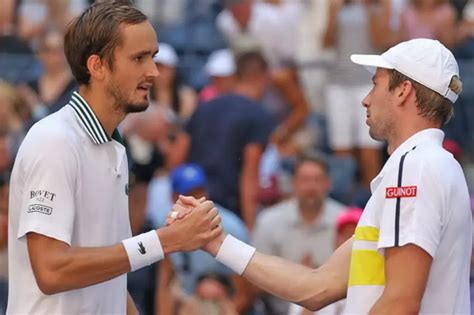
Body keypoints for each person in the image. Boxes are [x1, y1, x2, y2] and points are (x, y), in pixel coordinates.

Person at [173, 38, 472, 314]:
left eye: (375, 84)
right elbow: (317, 287)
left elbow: (401, 302)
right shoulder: (429, 165)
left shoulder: (415, 167)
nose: (366, 99)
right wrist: (216, 241)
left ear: (403, 90)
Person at [7, 2, 222, 314]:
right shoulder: (54, 141)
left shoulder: (113, 149)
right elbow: (51, 271)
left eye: (153, 56)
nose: (153, 71)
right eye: (139, 58)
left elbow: (110, 278)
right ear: (97, 66)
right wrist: (165, 241)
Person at [169, 51, 275, 230]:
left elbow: (176, 158)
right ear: (264, 77)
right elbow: (250, 175)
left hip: (193, 205)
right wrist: (249, 227)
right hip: (229, 211)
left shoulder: (204, 108)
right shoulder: (259, 115)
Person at [252, 154, 345, 314]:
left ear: (328, 184)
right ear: (293, 183)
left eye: (317, 180)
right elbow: (254, 281)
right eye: (305, 180)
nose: (311, 187)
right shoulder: (268, 221)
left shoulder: (346, 220)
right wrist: (298, 280)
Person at [156, 163, 253, 314]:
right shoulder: (168, 228)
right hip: (188, 304)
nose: (196, 198)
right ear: (174, 197)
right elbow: (164, 284)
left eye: (199, 191)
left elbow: (244, 295)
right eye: (189, 193)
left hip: (223, 306)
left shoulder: (231, 228)